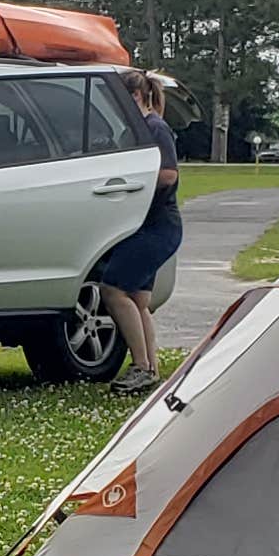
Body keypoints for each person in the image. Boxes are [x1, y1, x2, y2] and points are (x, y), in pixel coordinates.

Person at [89, 70, 182, 395]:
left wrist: (130, 185)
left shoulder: (155, 128)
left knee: (113, 290)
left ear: (136, 96)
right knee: (139, 299)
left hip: (157, 227)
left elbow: (168, 174)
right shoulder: (137, 130)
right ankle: (150, 369)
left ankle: (141, 366)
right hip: (144, 226)